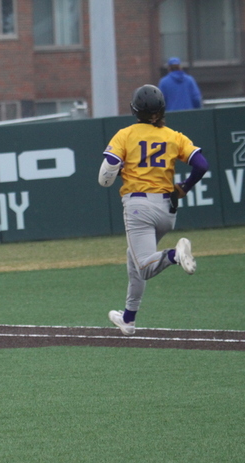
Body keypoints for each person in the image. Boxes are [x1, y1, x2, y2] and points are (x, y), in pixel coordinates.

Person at [99, 84, 208, 336]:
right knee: (134, 258)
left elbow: (108, 170)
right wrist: (185, 187)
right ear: (161, 110)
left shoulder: (125, 134)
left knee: (146, 266)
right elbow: (202, 164)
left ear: (135, 110)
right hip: (167, 209)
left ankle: (174, 255)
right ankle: (128, 318)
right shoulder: (173, 136)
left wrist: (112, 171)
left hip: (139, 206)